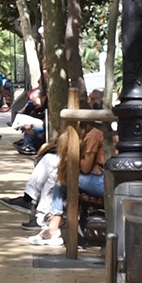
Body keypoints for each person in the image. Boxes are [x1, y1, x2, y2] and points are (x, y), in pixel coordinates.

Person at [29, 102, 108, 247]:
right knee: (60, 176)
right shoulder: (91, 134)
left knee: (63, 179)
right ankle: (52, 224)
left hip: (104, 182)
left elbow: (84, 168)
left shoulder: (92, 135)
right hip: (102, 180)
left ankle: (52, 226)